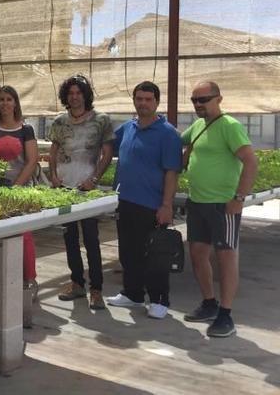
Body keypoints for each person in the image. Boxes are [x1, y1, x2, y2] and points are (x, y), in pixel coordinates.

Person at [181, 81, 258, 337]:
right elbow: (177, 141)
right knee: (198, 254)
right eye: (194, 100)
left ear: (219, 99)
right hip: (198, 202)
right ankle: (209, 304)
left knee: (226, 258)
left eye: (204, 99)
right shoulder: (198, 126)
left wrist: (239, 197)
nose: (198, 105)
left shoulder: (230, 126)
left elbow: (250, 161)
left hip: (222, 205)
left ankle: (226, 315)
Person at [107, 81, 182, 319]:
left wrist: (167, 205)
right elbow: (108, 142)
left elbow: (172, 171)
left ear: (157, 102)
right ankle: (133, 294)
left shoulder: (168, 134)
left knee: (154, 255)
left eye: (148, 99)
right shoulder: (128, 127)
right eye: (139, 99)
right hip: (125, 200)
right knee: (128, 252)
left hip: (151, 204)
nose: (143, 103)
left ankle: (160, 299)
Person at [48, 75, 114, 310]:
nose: (74, 97)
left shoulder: (101, 120)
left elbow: (107, 154)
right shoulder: (59, 122)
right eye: (70, 93)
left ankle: (96, 289)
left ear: (86, 95)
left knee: (91, 238)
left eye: (79, 92)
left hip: (87, 187)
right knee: (69, 238)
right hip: (64, 187)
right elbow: (53, 151)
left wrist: (94, 179)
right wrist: (53, 176)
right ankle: (77, 282)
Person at [0, 86, 39, 291]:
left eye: (9, 99)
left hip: (20, 191)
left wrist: (16, 188)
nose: (4, 103)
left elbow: (32, 161)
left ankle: (29, 279)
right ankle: (3, 279)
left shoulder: (26, 130)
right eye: (1, 100)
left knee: (23, 235)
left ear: (15, 103)